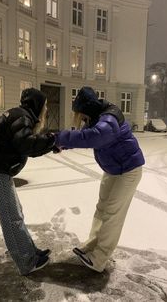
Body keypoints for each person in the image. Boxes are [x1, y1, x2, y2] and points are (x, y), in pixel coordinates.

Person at [54, 86, 145, 273]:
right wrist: (63, 144)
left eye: (80, 114)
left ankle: (100, 258)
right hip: (113, 169)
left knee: (112, 213)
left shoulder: (109, 118)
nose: (80, 119)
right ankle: (92, 244)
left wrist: (60, 137)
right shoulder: (97, 116)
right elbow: (86, 135)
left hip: (128, 170)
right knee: (102, 208)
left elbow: (94, 137)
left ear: (85, 109)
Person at [0, 88, 56, 275]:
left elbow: (28, 145)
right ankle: (27, 262)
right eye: (44, 106)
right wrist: (51, 141)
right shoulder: (22, 117)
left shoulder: (20, 114)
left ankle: (29, 251)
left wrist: (50, 145)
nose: (46, 110)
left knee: (16, 213)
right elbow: (27, 144)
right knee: (11, 219)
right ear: (37, 105)